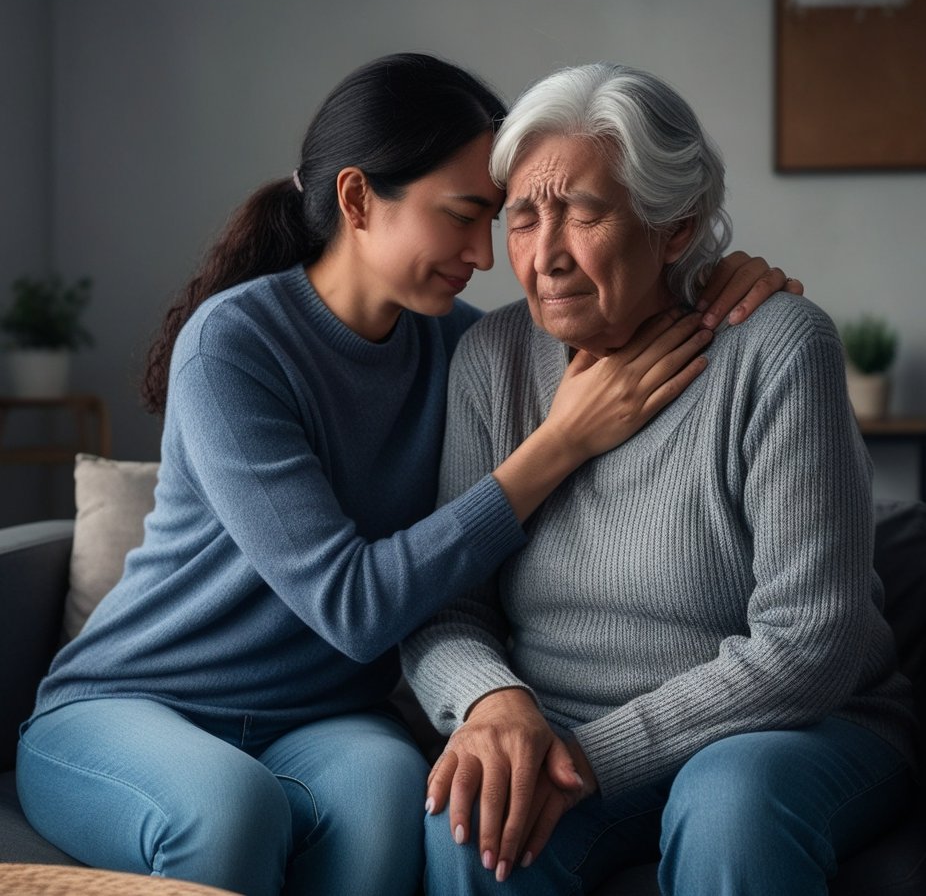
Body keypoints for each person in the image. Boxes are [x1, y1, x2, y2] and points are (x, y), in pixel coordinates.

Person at [17, 54, 796, 896]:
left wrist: (723, 281)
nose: (486, 255)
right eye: (464, 217)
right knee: (230, 811)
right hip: (137, 705)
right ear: (356, 200)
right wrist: (558, 444)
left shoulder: (465, 345)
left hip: (320, 722)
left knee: (399, 798)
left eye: (493, 220)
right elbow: (353, 608)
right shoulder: (233, 346)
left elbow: (633, 288)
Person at [402, 62, 918, 896]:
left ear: (674, 227)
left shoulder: (781, 349)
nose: (548, 255)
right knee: (471, 826)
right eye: (525, 219)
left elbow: (808, 646)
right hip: (556, 725)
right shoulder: (490, 360)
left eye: (584, 213)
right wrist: (494, 706)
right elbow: (444, 604)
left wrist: (590, 755)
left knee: (732, 805)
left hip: (791, 730)